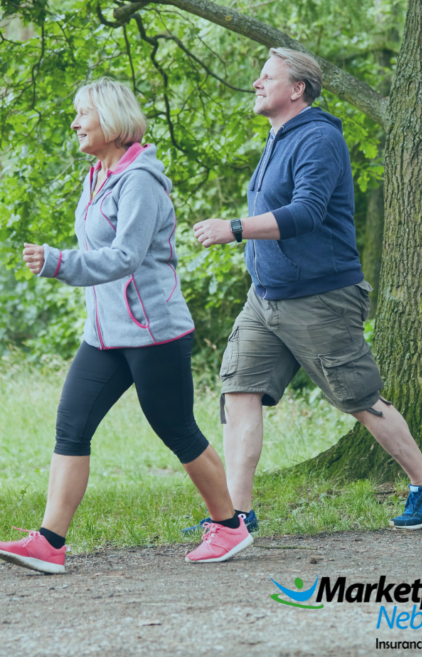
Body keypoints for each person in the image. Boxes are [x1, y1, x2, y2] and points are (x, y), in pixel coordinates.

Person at [190, 48, 422, 531]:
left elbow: (308, 212)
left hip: (320, 297)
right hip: (266, 296)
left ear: (297, 89)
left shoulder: (318, 138)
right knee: (238, 391)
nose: (256, 83)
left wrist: (235, 227)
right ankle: (235, 517)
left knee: (358, 397)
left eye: (266, 76)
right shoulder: (278, 137)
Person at [0, 78, 251, 574]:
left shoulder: (140, 180)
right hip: (105, 334)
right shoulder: (97, 174)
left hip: (154, 332)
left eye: (83, 115)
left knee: (176, 429)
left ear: (111, 121)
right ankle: (50, 542)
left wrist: (58, 262)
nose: (74, 123)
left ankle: (229, 526)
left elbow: (126, 256)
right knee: (71, 425)